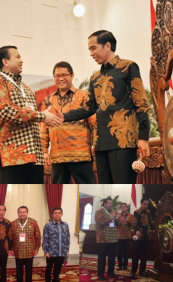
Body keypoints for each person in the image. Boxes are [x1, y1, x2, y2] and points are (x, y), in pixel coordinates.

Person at [62, 30, 150, 183]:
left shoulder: (128, 67)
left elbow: (141, 103)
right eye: (90, 49)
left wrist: (143, 137)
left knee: (123, 191)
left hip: (123, 141)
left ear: (107, 45)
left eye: (93, 48)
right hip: (101, 143)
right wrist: (62, 116)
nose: (91, 53)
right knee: (106, 193)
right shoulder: (95, 77)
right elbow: (88, 108)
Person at [0, 45, 63, 184]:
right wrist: (41, 116)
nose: (22, 60)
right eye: (17, 57)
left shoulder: (25, 87)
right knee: (14, 200)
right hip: (9, 158)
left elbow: (30, 115)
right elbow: (5, 111)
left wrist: (48, 117)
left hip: (33, 155)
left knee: (35, 200)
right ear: (5, 62)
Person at [40, 61, 97, 184]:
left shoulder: (84, 96)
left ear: (71, 75)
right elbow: (43, 128)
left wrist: (95, 147)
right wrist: (44, 151)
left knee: (88, 190)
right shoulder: (48, 100)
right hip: (57, 156)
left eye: (64, 75)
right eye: (57, 76)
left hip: (81, 155)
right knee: (60, 194)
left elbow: (94, 124)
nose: (60, 78)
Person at [11, 206, 41, 282]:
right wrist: (12, 249)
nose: (22, 214)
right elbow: (11, 238)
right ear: (18, 213)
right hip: (18, 251)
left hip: (30, 251)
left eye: (24, 212)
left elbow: (38, 237)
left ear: (27, 213)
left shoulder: (33, 222)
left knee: (29, 269)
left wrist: (36, 249)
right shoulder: (13, 223)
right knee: (19, 269)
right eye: (20, 212)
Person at [42, 207, 70, 282]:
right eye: (55, 213)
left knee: (58, 268)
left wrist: (67, 249)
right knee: (49, 268)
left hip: (62, 252)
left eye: (59, 213)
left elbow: (67, 238)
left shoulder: (65, 225)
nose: (57, 214)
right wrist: (46, 251)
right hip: (51, 252)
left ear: (61, 214)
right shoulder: (48, 226)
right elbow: (45, 239)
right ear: (52, 214)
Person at [95, 197, 118, 281]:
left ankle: (110, 272)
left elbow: (116, 224)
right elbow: (99, 223)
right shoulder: (99, 212)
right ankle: (101, 274)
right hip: (103, 239)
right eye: (109, 203)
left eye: (112, 203)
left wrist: (117, 219)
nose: (111, 205)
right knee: (102, 257)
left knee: (112, 256)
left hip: (113, 238)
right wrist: (110, 218)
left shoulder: (113, 212)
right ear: (105, 204)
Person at [130, 198, 154, 278]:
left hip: (146, 236)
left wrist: (154, 228)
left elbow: (150, 222)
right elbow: (134, 223)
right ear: (141, 203)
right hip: (138, 236)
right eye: (145, 204)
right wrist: (136, 230)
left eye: (147, 204)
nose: (146, 206)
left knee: (144, 255)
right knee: (135, 254)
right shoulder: (136, 212)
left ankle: (142, 271)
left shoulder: (148, 212)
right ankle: (133, 271)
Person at [115, 203, 133, 271]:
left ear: (127, 208)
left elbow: (132, 224)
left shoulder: (130, 215)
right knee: (119, 251)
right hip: (119, 235)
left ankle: (125, 264)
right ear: (121, 208)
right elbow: (115, 224)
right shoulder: (118, 215)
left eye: (125, 207)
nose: (123, 208)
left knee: (126, 251)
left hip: (127, 236)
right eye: (122, 207)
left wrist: (128, 222)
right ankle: (119, 264)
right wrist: (119, 220)